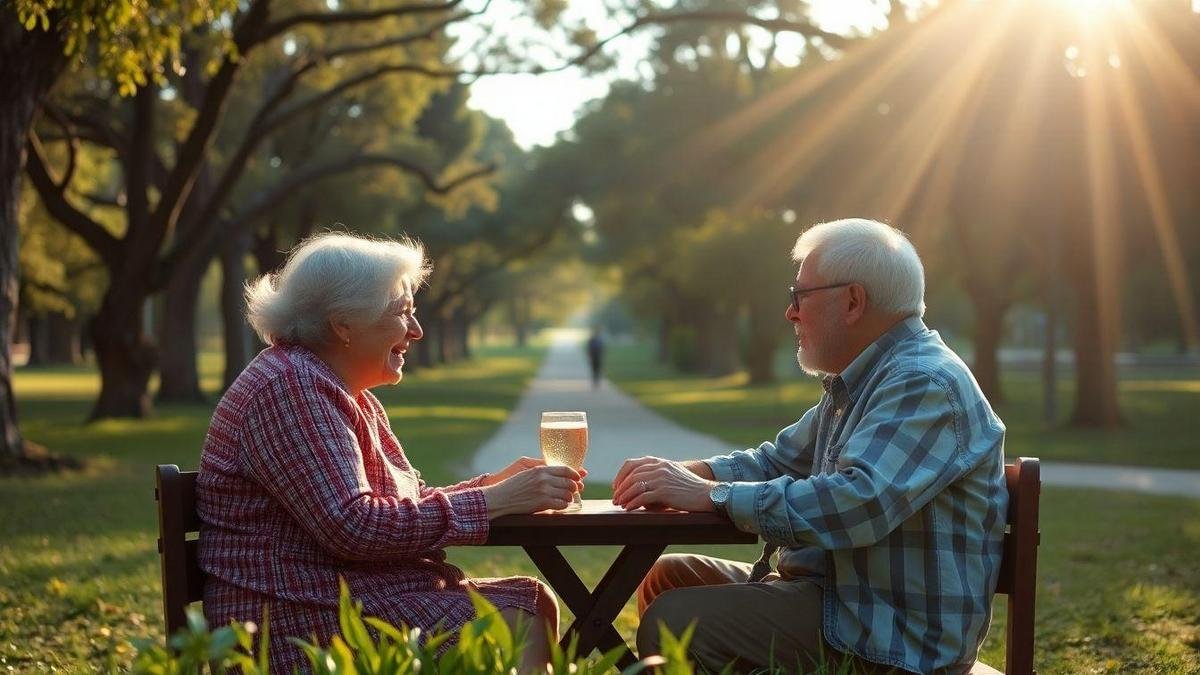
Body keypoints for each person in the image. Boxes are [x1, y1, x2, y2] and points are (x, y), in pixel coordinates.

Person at [611, 218, 1008, 674]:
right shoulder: (864, 380)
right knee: (668, 577)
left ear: (853, 301)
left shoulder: (922, 382)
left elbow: (858, 503)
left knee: (675, 621)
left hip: (888, 637)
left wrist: (710, 496)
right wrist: (687, 473)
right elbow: (777, 461)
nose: (790, 313)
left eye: (799, 296)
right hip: (843, 599)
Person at [196, 232, 583, 672]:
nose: (416, 331)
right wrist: (495, 501)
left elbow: (403, 504)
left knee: (531, 601)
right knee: (517, 616)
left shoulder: (342, 391)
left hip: (341, 597)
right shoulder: (290, 387)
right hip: (295, 623)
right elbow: (353, 526)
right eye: (403, 314)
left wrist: (490, 486)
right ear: (343, 324)